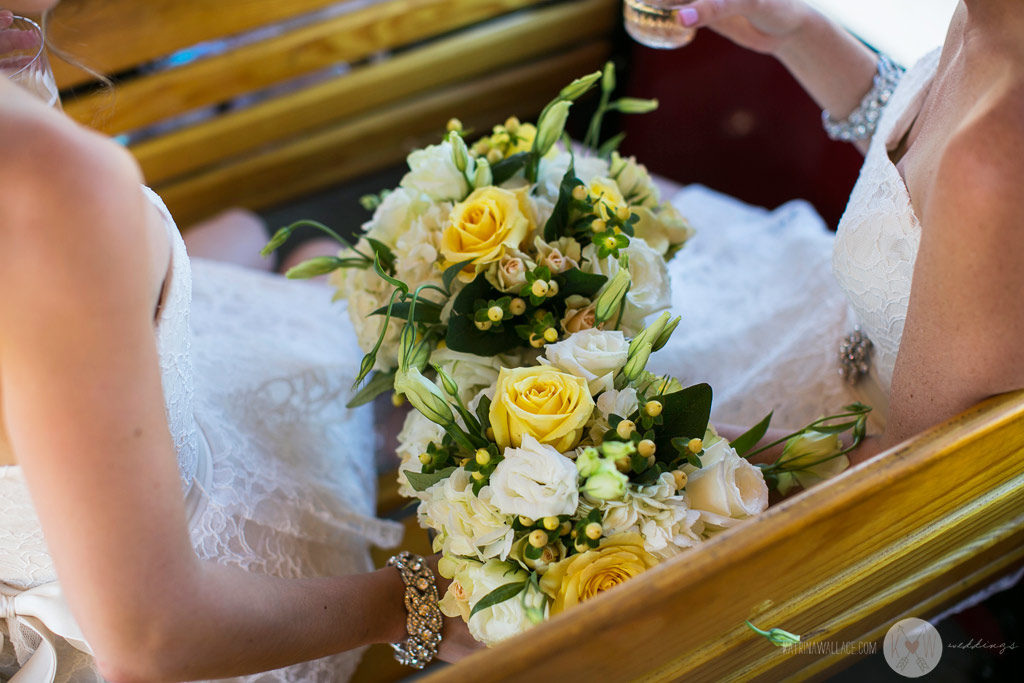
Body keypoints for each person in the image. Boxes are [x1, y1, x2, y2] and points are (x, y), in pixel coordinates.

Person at [0, 2, 473, 681]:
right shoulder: (50, 186)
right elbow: (156, 639)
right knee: (333, 297)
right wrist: (415, 600)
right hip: (185, 601)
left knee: (268, 244)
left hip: (83, 480)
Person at [644, 0, 1024, 468]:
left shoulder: (1001, 161)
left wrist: (648, 439)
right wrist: (798, 32)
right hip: (811, 321)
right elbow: (919, 179)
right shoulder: (991, 14)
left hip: (840, 459)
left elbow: (902, 473)